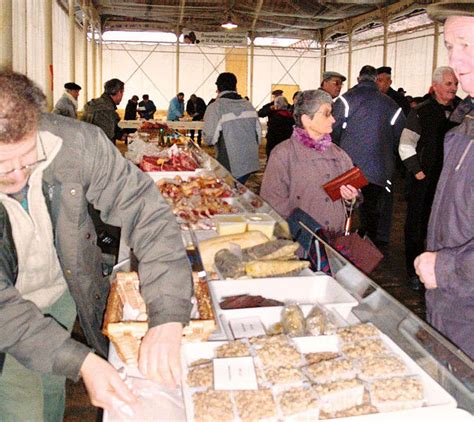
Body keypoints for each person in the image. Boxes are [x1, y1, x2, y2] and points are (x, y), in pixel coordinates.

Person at [0, 70, 193, 420]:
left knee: (50, 384)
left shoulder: (75, 143)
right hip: (7, 308)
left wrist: (168, 313)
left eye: (28, 159)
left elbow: (146, 213)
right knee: (20, 403)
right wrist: (82, 362)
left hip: (58, 290)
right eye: (1, 167)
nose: (16, 177)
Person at [414, 1, 474, 360]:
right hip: (455, 314)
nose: (457, 61)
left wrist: (446, 267)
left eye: (467, 44)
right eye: (451, 47)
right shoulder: (465, 125)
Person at [260, 89, 359, 230]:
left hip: (335, 240)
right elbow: (273, 202)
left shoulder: (339, 155)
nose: (333, 119)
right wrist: (302, 230)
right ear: (306, 119)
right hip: (301, 242)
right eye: (327, 114)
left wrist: (350, 199)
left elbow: (352, 198)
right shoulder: (283, 155)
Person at [399, 66, 461, 290]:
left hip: (453, 183)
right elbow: (406, 145)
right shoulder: (421, 112)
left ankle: (444, 270)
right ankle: (414, 271)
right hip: (424, 180)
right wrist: (418, 171)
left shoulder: (462, 111)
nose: (454, 88)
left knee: (449, 226)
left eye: (455, 83)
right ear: (435, 86)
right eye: (448, 84)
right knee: (417, 226)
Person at [332, 65, 406, 246]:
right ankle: (366, 250)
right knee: (371, 212)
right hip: (379, 170)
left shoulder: (345, 101)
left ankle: (338, 247)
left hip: (348, 167)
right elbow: (401, 136)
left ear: (358, 79)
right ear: (375, 80)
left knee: (343, 210)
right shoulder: (391, 104)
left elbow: (332, 131)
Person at [203, 72, 262, 185]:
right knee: (238, 188)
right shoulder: (248, 105)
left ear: (218, 88)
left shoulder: (216, 107)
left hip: (230, 164)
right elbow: (259, 136)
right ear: (235, 86)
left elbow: (209, 139)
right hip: (250, 162)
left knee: (229, 191)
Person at [81, 78, 125, 145]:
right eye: (122, 92)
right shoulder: (106, 110)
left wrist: (120, 134)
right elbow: (107, 137)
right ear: (119, 92)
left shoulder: (94, 104)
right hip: (98, 151)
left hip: (87, 146)